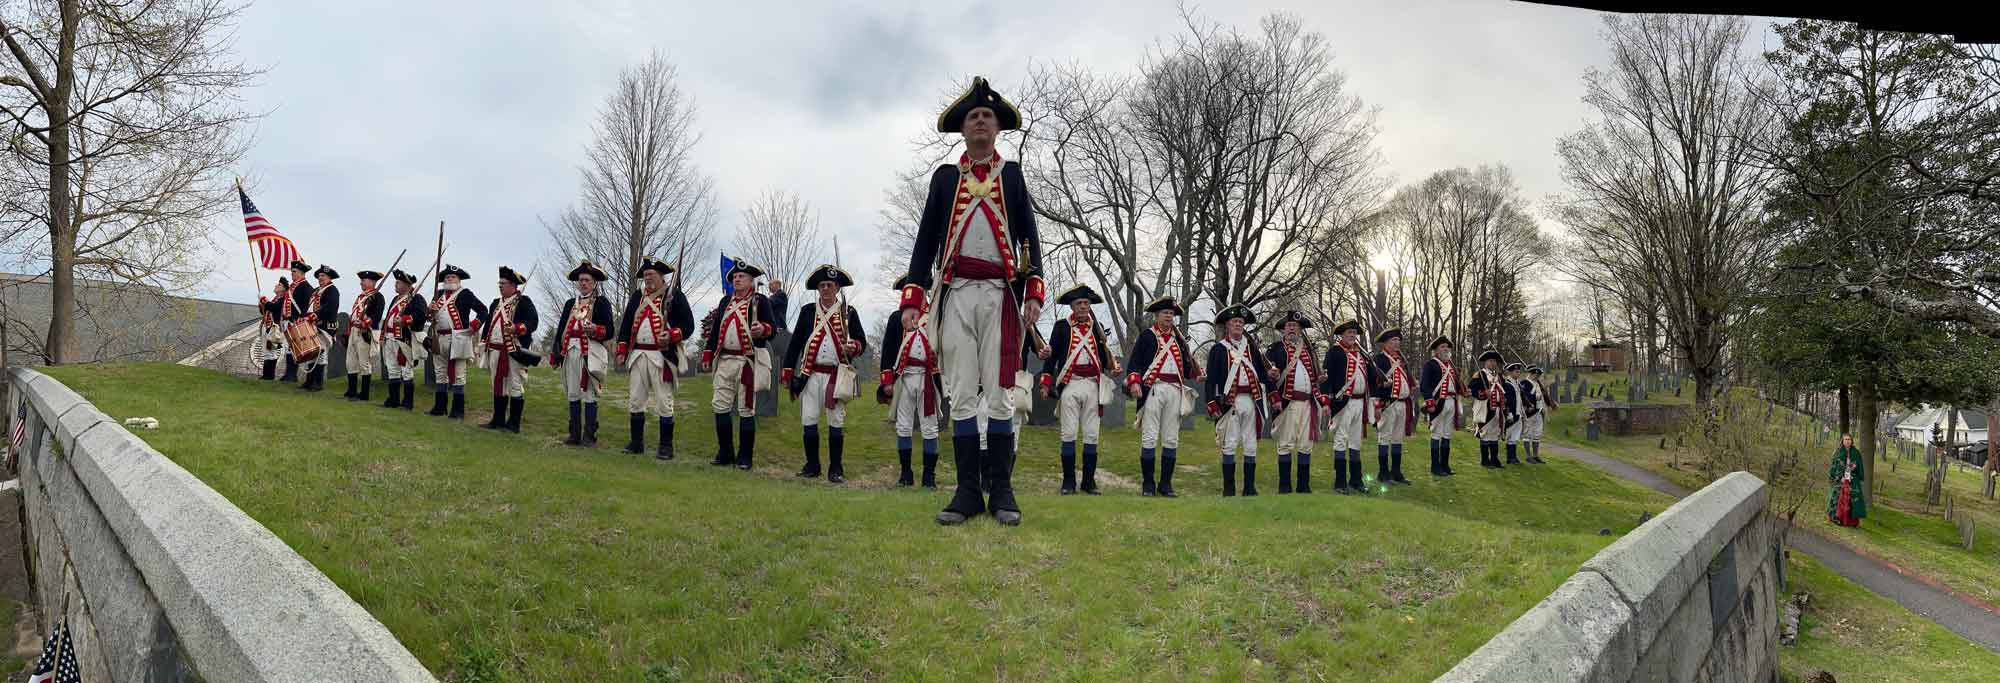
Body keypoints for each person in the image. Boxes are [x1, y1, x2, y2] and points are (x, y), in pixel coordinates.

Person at [897, 76, 1048, 527]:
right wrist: (914, 296)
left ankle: (1001, 491)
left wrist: (1034, 293)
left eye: (987, 116)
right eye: (973, 117)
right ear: (962, 129)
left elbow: (1029, 238)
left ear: (998, 128)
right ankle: (966, 492)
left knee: (1001, 395)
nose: (980, 121)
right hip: (956, 294)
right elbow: (925, 241)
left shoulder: (1013, 176)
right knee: (961, 393)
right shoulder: (945, 180)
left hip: (1001, 295)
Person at [782, 265, 867, 483]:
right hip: (810, 373)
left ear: (837, 287)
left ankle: (836, 469)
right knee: (808, 420)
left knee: (836, 422)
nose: (826, 289)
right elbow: (795, 344)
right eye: (822, 285)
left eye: (830, 285)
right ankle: (812, 465)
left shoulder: (849, 312)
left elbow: (861, 342)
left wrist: (853, 347)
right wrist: (788, 370)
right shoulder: (808, 312)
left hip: (836, 376)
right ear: (818, 289)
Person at [1041, 284, 1117, 495]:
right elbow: (1052, 357)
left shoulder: (1098, 327)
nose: (1083, 307)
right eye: (1079, 303)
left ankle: (1089, 481)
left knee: (1092, 435)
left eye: (1086, 303)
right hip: (1071, 383)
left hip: (1093, 385)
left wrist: (1112, 365)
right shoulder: (1061, 327)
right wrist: (1046, 382)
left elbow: (1104, 357)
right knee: (1069, 433)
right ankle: (1068, 482)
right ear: (1072, 307)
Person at [617, 258, 695, 460]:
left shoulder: (674, 296)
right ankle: (636, 443)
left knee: (663, 401)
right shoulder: (637, 296)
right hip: (638, 354)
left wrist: (672, 335)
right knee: (636, 400)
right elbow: (626, 324)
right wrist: (622, 349)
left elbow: (688, 325)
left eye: (651, 274)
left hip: (662, 356)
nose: (647, 278)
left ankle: (665, 447)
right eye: (645, 275)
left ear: (661, 276)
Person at [702, 261, 776, 470]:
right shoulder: (726, 301)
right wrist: (708, 353)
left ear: (751, 280)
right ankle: (725, 452)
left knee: (746, 410)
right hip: (725, 360)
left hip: (748, 362)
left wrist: (762, 328)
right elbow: (716, 330)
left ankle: (745, 456)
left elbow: (773, 328)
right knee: (720, 405)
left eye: (741, 276)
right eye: (735, 276)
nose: (737, 279)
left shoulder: (760, 301)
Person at [1124, 297, 1196, 497]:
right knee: (1149, 437)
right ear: (1156, 316)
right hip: (1153, 390)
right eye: (1165, 313)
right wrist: (1135, 382)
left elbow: (1188, 369)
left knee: (1171, 439)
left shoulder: (1179, 341)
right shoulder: (1147, 336)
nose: (1169, 317)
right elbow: (1134, 363)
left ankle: (1165, 485)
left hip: (1175, 390)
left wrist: (1196, 368)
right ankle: (1148, 484)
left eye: (1171, 314)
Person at [880, 275, 943, 487]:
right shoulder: (897, 318)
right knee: (903, 427)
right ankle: (906, 474)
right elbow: (888, 352)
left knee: (930, 428)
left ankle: (929, 477)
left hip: (928, 378)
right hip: (904, 378)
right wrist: (887, 380)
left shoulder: (934, 317)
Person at [1205, 305, 1268, 497]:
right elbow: (1212, 380)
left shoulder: (1251, 349)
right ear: (1227, 326)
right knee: (1230, 443)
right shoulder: (1218, 349)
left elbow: (1262, 375)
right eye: (1235, 322)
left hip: (1251, 400)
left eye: (1241, 322)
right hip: (1230, 402)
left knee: (1250, 443)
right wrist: (1212, 403)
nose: (1238, 325)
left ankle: (1249, 488)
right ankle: (1229, 489)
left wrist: (1270, 375)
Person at [552, 261, 615, 447]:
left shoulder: (601, 303)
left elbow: (610, 330)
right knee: (572, 393)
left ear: (595, 283)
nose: (583, 283)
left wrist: (596, 329)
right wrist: (556, 354)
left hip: (590, 354)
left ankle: (589, 436)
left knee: (589, 395)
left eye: (587, 280)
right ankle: (574, 435)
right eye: (581, 280)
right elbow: (561, 329)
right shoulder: (571, 304)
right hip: (570, 351)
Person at [1263, 311, 1322, 494]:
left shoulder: (1309, 350)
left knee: (1306, 444)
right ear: (1283, 329)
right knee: (1286, 443)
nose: (1291, 329)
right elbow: (1268, 377)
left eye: (1295, 326)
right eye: (1288, 326)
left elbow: (1314, 377)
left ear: (1301, 330)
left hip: (1308, 403)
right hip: (1287, 403)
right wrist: (1274, 397)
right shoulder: (1274, 349)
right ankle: (1285, 486)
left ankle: (1303, 485)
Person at [479, 266, 539, 433]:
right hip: (495, 350)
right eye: (500, 283)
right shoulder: (495, 303)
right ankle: (497, 420)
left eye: (503, 283)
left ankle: (513, 424)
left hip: (513, 350)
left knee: (514, 385)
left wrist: (517, 328)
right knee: (497, 385)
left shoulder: (523, 302)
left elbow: (532, 321)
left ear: (513, 285)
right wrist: (484, 342)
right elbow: (489, 325)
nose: (500, 286)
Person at [1321, 319, 1377, 494]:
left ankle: (1356, 480)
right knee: (1341, 440)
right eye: (1349, 333)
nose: (1352, 336)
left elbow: (1372, 377)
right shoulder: (1334, 352)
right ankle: (1340, 482)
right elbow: (1326, 378)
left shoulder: (1361, 354)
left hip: (1360, 402)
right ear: (1342, 335)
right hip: (1343, 402)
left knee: (1355, 441)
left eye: (1354, 333)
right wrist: (1326, 401)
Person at [426, 265, 487, 420]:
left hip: (458, 338)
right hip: (439, 338)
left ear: (459, 279)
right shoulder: (438, 294)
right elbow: (430, 317)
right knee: (440, 373)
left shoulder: (465, 294)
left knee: (459, 375)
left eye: (452, 277)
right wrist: (430, 310)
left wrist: (474, 326)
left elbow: (483, 310)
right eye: (447, 277)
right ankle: (440, 407)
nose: (449, 279)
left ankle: (458, 411)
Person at [1371, 328, 1417, 486]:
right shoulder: (1380, 359)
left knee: (1398, 439)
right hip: (1388, 404)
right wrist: (1377, 406)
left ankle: (1396, 472)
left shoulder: (1401, 360)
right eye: (1393, 341)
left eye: (1398, 340)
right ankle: (1383, 473)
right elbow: (1375, 384)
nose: (1397, 343)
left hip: (1402, 404)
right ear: (1385, 343)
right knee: (1384, 437)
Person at [378, 270, 428, 410]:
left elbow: (421, 314)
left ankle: (407, 403)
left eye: (398, 282)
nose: (396, 284)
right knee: (393, 369)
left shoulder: (416, 298)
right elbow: (388, 318)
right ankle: (393, 399)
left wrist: (405, 319)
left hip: (404, 339)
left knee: (406, 370)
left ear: (407, 285)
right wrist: (383, 336)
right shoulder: (396, 299)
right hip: (390, 338)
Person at [1418, 336, 1464, 477]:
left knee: (1447, 434)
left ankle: (1445, 465)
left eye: (1447, 347)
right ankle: (1435, 467)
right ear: (1436, 350)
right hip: (1438, 403)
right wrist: (1430, 402)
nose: (1446, 349)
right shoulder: (1430, 364)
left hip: (1451, 401)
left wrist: (1463, 390)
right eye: (1443, 347)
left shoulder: (1451, 366)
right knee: (1436, 433)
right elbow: (1424, 385)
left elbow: (1456, 385)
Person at [343, 271, 386, 402]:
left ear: (372, 282)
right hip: (354, 331)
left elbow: (376, 316)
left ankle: (364, 393)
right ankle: (352, 390)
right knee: (350, 362)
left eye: (364, 280)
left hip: (365, 332)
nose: (361, 282)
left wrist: (364, 323)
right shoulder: (361, 296)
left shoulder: (378, 296)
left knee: (364, 363)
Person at [298, 265, 342, 392]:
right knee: (312, 353)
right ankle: (309, 381)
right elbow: (309, 307)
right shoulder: (316, 290)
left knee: (320, 353)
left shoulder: (332, 290)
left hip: (324, 326)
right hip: (312, 325)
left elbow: (330, 308)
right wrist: (304, 317)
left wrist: (315, 315)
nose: (320, 278)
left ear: (329, 278)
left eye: (323, 276)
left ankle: (318, 383)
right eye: (319, 276)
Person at [1466, 350, 1511, 469]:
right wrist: (1483, 393)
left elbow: (1504, 391)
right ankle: (1485, 461)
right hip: (1485, 408)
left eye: (1494, 361)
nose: (1493, 363)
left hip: (1497, 408)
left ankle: (1495, 460)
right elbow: (1470, 390)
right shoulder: (1480, 374)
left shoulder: (1499, 377)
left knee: (1495, 433)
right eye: (1490, 361)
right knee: (1485, 433)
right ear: (1485, 363)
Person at [280, 260, 313, 382]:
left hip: (297, 321)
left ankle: (292, 375)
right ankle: (289, 373)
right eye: (292, 271)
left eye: (294, 272)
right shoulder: (292, 287)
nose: (292, 274)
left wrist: (301, 319)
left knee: (294, 349)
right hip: (288, 321)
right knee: (288, 348)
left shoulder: (306, 287)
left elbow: (307, 305)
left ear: (301, 273)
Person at [1828, 433, 1866, 527]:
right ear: (1842, 441)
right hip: (1840, 478)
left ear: (1852, 441)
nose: (1847, 441)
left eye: (1849, 439)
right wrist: (1839, 476)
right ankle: (1836, 517)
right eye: (1845, 439)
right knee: (1838, 497)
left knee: (1852, 499)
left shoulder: (1856, 452)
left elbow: (1859, 466)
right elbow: (1835, 465)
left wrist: (1854, 469)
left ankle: (1851, 522)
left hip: (1852, 479)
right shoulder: (1838, 452)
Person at [1520, 366, 1555, 464]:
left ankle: (1535, 456)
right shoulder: (1524, 383)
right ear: (1531, 373)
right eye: (1536, 374)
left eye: (1538, 375)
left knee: (1537, 433)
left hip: (1539, 411)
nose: (1537, 376)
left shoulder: (1538, 384)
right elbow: (1523, 396)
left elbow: (1544, 396)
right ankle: (1528, 456)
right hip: (1529, 412)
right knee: (1527, 433)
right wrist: (1535, 396)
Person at [256, 278, 289, 381]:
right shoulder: (275, 299)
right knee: (267, 352)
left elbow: (275, 308)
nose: (276, 285)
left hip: (275, 328)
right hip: (267, 327)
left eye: (279, 285)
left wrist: (265, 301)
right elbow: (266, 311)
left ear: (283, 289)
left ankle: (269, 376)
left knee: (271, 352)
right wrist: (262, 305)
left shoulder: (283, 299)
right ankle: (266, 375)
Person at [1502, 362, 1526, 465]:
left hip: (1518, 413)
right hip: (1511, 413)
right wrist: (1508, 413)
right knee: (1510, 436)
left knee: (1515, 436)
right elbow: (1506, 401)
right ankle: (1509, 458)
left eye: (1519, 372)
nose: (1518, 373)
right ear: (1511, 372)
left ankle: (1513, 457)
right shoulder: (1507, 384)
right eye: (1516, 372)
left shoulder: (1517, 384)